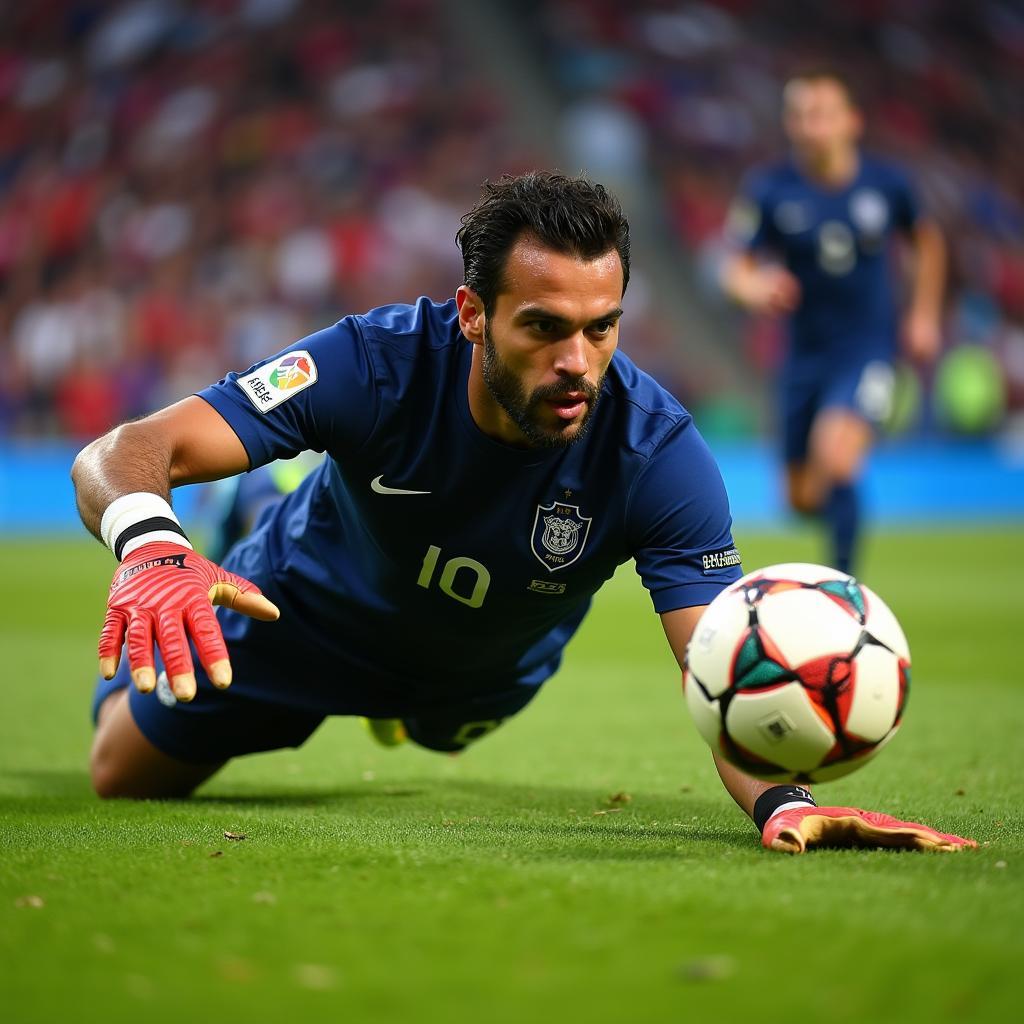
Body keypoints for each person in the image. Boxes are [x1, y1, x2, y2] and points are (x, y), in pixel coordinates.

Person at [73, 171, 970, 854]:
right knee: (120, 776)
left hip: (482, 680)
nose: (579, 360)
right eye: (544, 327)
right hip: (301, 618)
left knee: (438, 729)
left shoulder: (656, 454)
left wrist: (789, 803)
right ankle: (255, 501)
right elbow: (120, 452)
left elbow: (724, 666)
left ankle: (390, 685)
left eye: (602, 328)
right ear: (472, 313)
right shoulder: (372, 364)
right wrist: (151, 547)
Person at [721, 70, 946, 574]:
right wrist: (755, 287)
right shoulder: (769, 188)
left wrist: (924, 314)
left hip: (868, 350)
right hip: (802, 355)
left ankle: (848, 591)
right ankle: (846, 518)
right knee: (799, 498)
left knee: (838, 457)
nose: (809, 125)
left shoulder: (887, 185)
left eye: (821, 113)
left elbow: (926, 241)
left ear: (851, 122)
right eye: (799, 115)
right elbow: (734, 264)